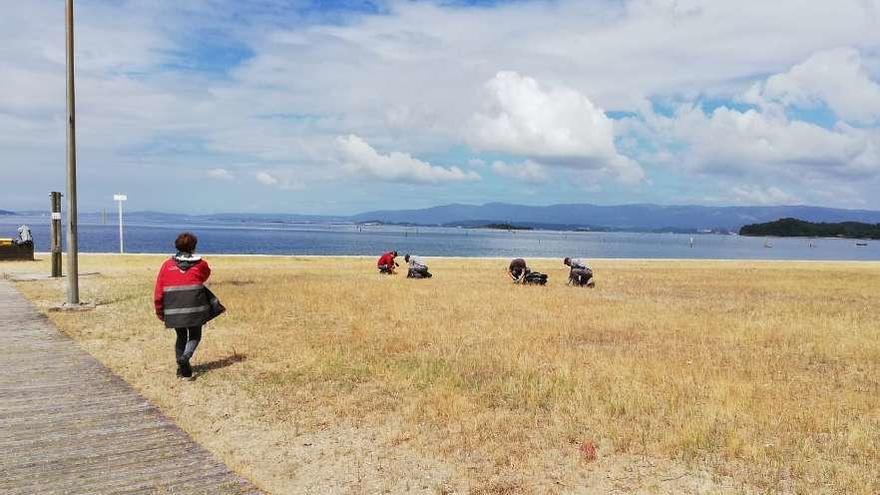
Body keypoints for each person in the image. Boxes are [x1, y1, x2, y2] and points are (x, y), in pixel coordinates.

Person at [153, 232, 223, 380]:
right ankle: (186, 357)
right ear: (194, 247)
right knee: (195, 335)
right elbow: (205, 275)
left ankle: (181, 368)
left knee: (181, 335)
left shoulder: (167, 265)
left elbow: (159, 291)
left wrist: (160, 312)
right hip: (195, 308)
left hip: (174, 308)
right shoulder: (201, 264)